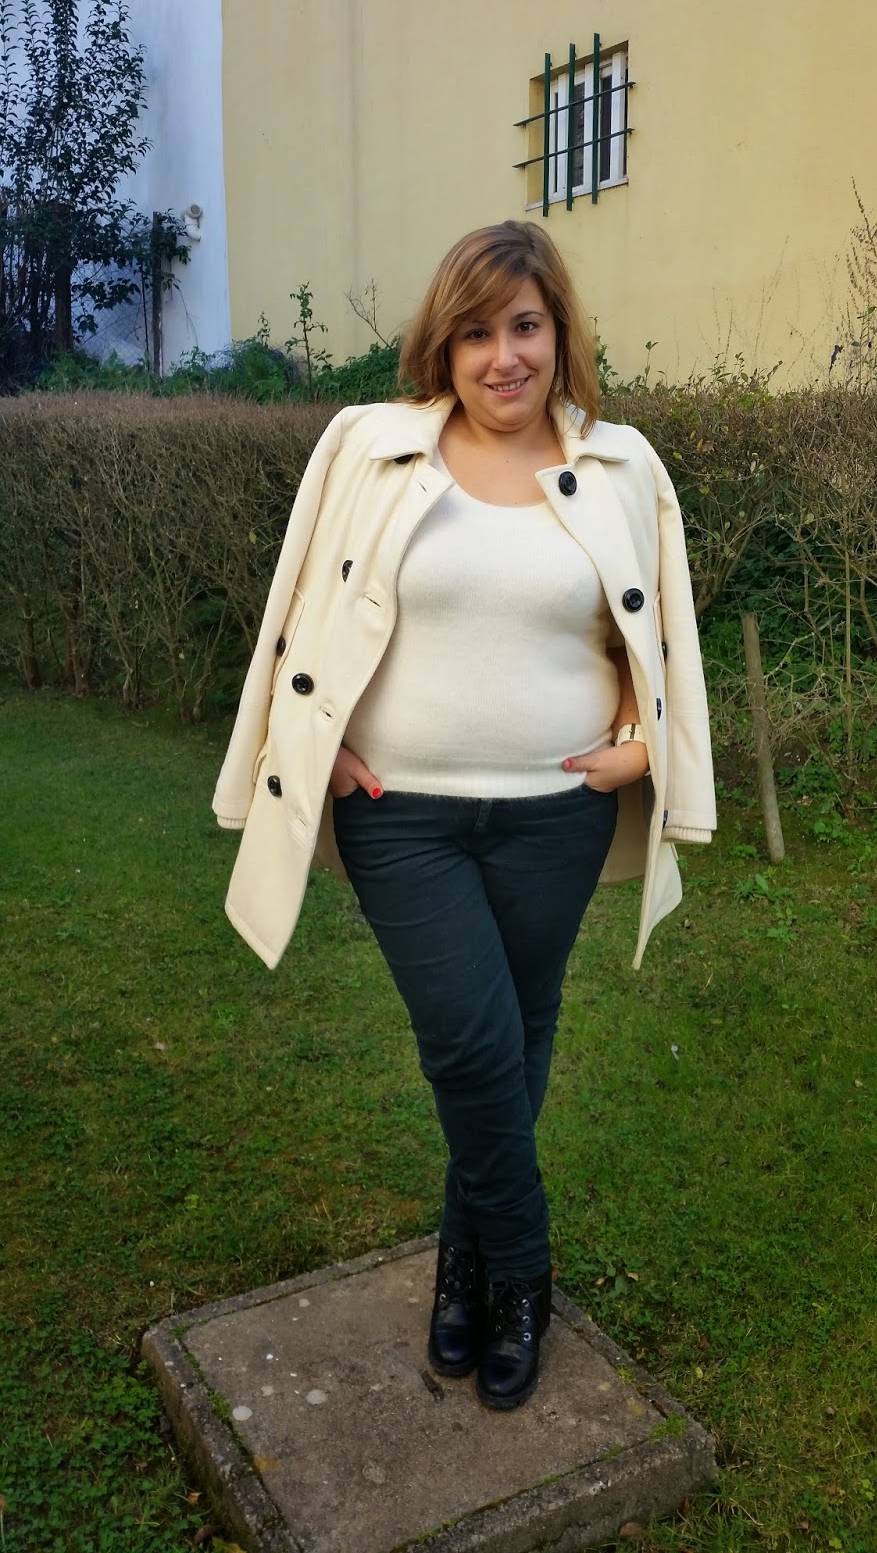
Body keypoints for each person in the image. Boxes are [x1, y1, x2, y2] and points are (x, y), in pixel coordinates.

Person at [213, 220, 716, 1411]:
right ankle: (525, 1274)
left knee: (517, 1037)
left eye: (526, 326)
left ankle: (464, 1266)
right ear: (444, 344)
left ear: (560, 333)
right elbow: (300, 605)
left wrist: (642, 749)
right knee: (470, 1043)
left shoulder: (623, 467)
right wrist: (319, 744)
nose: (505, 356)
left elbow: (661, 635)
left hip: (556, 814)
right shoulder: (368, 447)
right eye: (478, 331)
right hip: (403, 817)